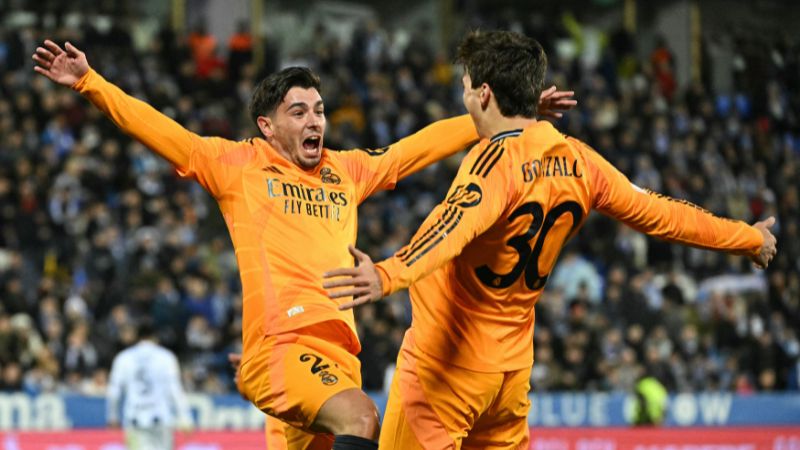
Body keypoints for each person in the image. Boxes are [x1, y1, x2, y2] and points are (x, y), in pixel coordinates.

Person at [32, 39, 575, 450]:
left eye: (318, 109)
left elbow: (414, 149)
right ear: (267, 126)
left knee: (353, 417)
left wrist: (506, 120)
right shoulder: (236, 165)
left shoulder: (346, 171)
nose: (316, 120)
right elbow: (158, 128)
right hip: (284, 349)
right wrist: (89, 83)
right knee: (363, 421)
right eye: (299, 112)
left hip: (340, 358)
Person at [323, 30, 777, 449]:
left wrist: (386, 274)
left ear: (483, 94)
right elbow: (663, 214)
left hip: (447, 367)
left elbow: (450, 228)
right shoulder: (579, 159)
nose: (464, 99)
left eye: (465, 88)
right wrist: (746, 237)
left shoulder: (493, 163)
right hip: (511, 376)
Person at [107, 320, 193, 450]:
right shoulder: (166, 357)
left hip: (134, 419)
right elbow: (174, 389)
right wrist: (185, 416)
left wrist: (112, 416)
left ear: (136, 337)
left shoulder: (123, 358)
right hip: (161, 419)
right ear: (155, 337)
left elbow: (114, 392)